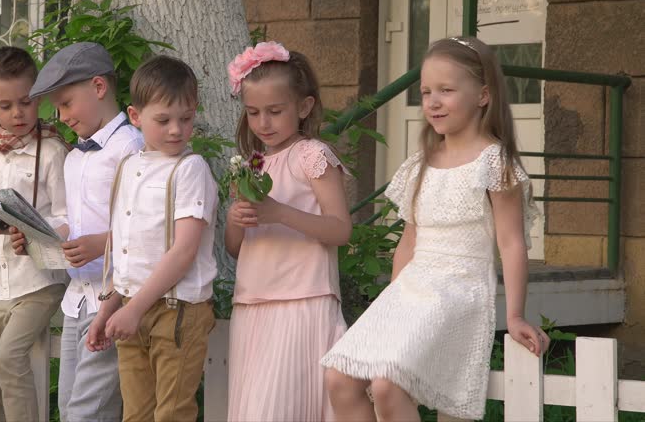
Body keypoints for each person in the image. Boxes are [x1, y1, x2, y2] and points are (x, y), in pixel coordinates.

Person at [322, 36, 548, 422]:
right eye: (426, 91)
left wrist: (515, 315)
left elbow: (511, 244)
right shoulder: (420, 164)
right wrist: (391, 307)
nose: (433, 101)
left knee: (386, 383)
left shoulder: (495, 163)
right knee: (339, 377)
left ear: (482, 95)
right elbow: (409, 241)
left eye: (446, 90)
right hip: (412, 288)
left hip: (459, 290)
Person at [10, 42, 141, 421]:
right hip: (77, 300)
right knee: (68, 406)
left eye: (66, 103)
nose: (60, 115)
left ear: (99, 87)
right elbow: (72, 221)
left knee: (87, 413)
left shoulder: (130, 148)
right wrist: (36, 234)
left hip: (114, 298)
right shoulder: (74, 157)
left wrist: (103, 244)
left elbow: (146, 226)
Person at [225, 41, 352, 421]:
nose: (263, 122)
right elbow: (236, 249)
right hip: (253, 303)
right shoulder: (251, 165)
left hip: (303, 299)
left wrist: (280, 212)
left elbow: (340, 229)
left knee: (282, 409)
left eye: (275, 111)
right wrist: (236, 219)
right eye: (253, 113)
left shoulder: (312, 155)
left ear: (304, 107)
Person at [86, 55, 218, 422]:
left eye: (186, 119)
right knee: (136, 415)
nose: (176, 129)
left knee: (171, 414)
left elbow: (184, 251)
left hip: (176, 311)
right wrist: (108, 309)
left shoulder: (191, 169)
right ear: (135, 116)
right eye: (163, 120)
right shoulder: (129, 167)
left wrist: (134, 309)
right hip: (131, 306)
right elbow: (124, 250)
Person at [0, 45, 69, 422]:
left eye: (26, 101)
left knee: (10, 356)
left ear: (38, 98)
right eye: (6, 106)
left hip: (40, 282)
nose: (17, 113)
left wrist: (34, 233)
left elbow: (69, 218)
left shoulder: (52, 152)